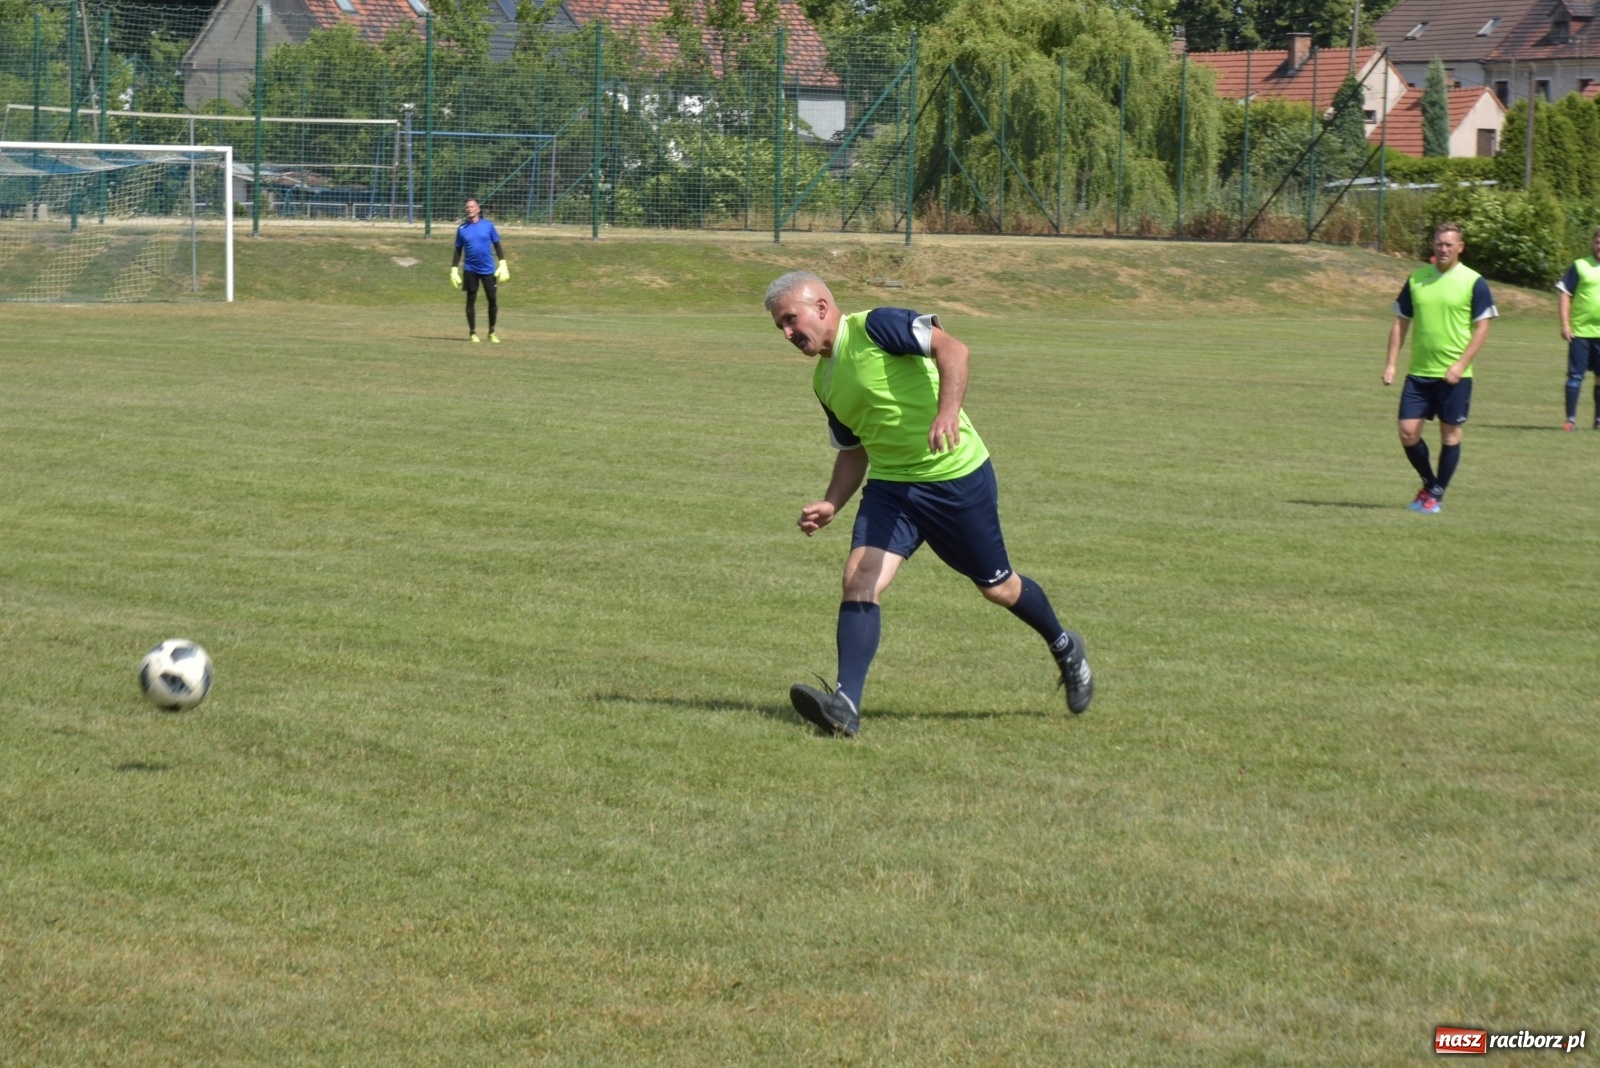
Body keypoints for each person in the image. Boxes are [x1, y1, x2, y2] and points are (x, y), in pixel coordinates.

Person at [764, 270, 1093, 737]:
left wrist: (948, 411)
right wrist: (833, 502)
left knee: (998, 588)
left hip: (954, 479)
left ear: (820, 307)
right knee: (859, 579)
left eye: (790, 320)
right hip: (892, 488)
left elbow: (953, 349)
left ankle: (1064, 646)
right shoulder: (824, 380)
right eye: (780, 326)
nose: (788, 333)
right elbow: (854, 448)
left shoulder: (875, 326)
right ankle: (845, 707)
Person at [1382, 222, 1496, 515]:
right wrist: (1391, 363)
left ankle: (1435, 496)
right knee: (1407, 432)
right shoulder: (1417, 279)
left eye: (1449, 244)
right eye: (1439, 243)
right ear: (1432, 245)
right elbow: (1401, 322)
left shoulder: (1474, 281)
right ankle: (1431, 484)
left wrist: (1461, 364)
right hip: (1419, 372)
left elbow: (1482, 328)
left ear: (1460, 247)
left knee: (1450, 436)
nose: (1443, 249)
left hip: (1454, 375)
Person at [1557, 227, 1600, 431]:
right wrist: (1565, 324)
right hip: (1580, 332)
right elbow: (1565, 293)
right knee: (1575, 377)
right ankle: (1570, 420)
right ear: (1593, 243)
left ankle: (1599, 421)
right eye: (1598, 242)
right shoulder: (1580, 266)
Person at [450, 197, 509, 343]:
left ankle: (492, 332)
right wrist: (454, 269)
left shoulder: (488, 226)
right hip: (470, 270)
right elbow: (458, 250)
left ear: (478, 209)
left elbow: (497, 245)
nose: (469, 209)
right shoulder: (462, 229)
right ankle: (472, 333)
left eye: (472, 206)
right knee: (471, 300)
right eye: (467, 207)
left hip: (488, 269)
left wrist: (502, 263)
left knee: (492, 300)